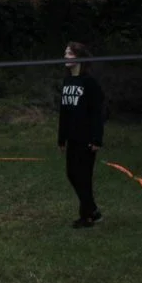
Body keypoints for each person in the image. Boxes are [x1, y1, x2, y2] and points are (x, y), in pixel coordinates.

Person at [59, 41, 105, 228]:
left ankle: (87, 216)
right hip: (72, 137)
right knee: (72, 174)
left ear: (79, 58)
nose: (65, 56)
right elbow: (64, 112)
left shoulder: (89, 82)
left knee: (83, 177)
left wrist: (96, 138)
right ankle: (92, 210)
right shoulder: (67, 81)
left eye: (69, 53)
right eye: (65, 53)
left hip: (86, 138)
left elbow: (97, 112)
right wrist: (61, 138)